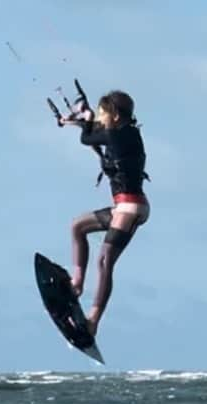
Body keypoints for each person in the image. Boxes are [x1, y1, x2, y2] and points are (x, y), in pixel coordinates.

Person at [60, 90, 150, 337]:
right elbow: (92, 135)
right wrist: (82, 120)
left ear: (116, 116)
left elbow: (88, 139)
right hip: (121, 207)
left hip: (133, 207)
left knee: (104, 260)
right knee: (77, 226)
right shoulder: (119, 133)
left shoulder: (120, 135)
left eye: (103, 114)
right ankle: (76, 284)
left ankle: (93, 321)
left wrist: (84, 120)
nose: (101, 118)